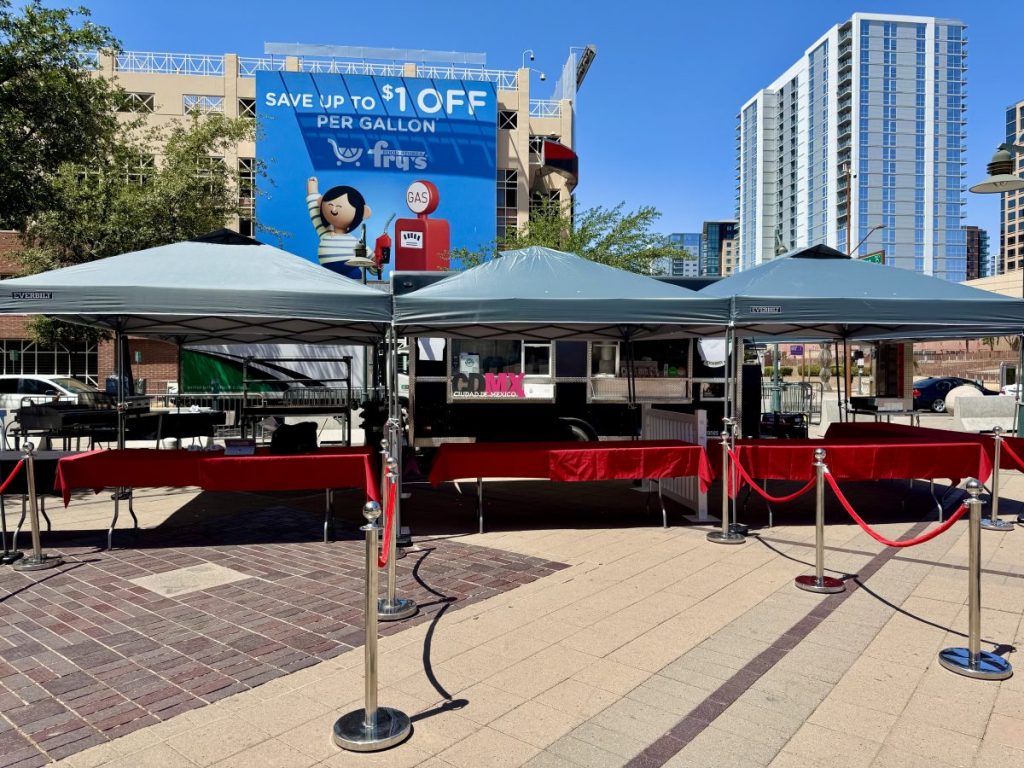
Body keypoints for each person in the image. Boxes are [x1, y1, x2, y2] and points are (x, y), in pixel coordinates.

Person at [306, 177, 372, 279]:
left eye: (339, 207)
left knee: (356, 275)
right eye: (330, 205)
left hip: (352, 273)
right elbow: (315, 211)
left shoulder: (357, 243)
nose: (334, 209)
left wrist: (377, 266)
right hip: (328, 274)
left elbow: (371, 261)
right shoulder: (325, 232)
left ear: (362, 213)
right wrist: (312, 190)